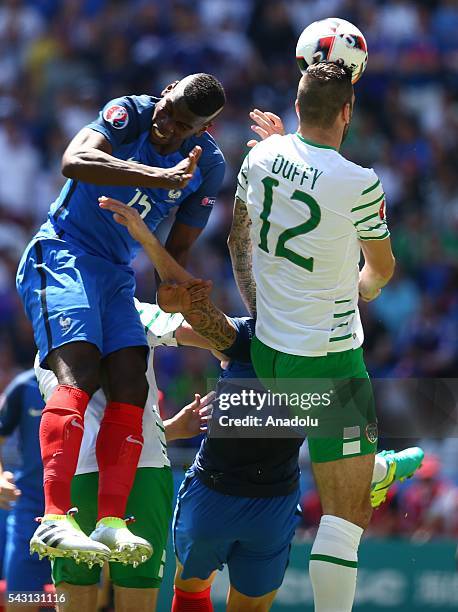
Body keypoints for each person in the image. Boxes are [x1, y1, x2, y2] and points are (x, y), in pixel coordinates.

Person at [99, 196, 423, 612]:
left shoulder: (326, 346)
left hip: (273, 501)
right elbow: (218, 277)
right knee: (192, 586)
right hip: (216, 489)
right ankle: (372, 469)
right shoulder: (246, 337)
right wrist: (252, 181)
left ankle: (371, 469)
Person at [15, 73, 226, 566]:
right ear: (167, 89)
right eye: (168, 108)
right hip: (62, 252)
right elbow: (75, 161)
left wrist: (177, 290)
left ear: (204, 129)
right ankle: (54, 518)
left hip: (115, 274)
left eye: (181, 125)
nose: (166, 123)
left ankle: (111, 523)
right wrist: (156, 176)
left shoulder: (209, 168)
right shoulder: (128, 112)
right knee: (82, 372)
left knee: (131, 381)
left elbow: (173, 251)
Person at [228, 60, 398, 612]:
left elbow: (239, 238)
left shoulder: (260, 155)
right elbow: (381, 269)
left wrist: (283, 148)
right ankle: (368, 470)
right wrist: (364, 289)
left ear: (297, 108)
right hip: (328, 359)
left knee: (342, 469)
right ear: (348, 112)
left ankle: (372, 465)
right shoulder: (361, 183)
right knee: (346, 519)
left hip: (270, 349)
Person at [35, 300, 213, 612]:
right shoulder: (130, 308)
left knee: (74, 599)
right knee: (137, 599)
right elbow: (201, 332)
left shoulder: (47, 335)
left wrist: (167, 429)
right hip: (141, 472)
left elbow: (83, 422)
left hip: (71, 480)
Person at [0, 370, 51, 612]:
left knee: (83, 601)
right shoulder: (23, 386)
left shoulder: (99, 379)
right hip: (28, 508)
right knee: (20, 600)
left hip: (82, 509)